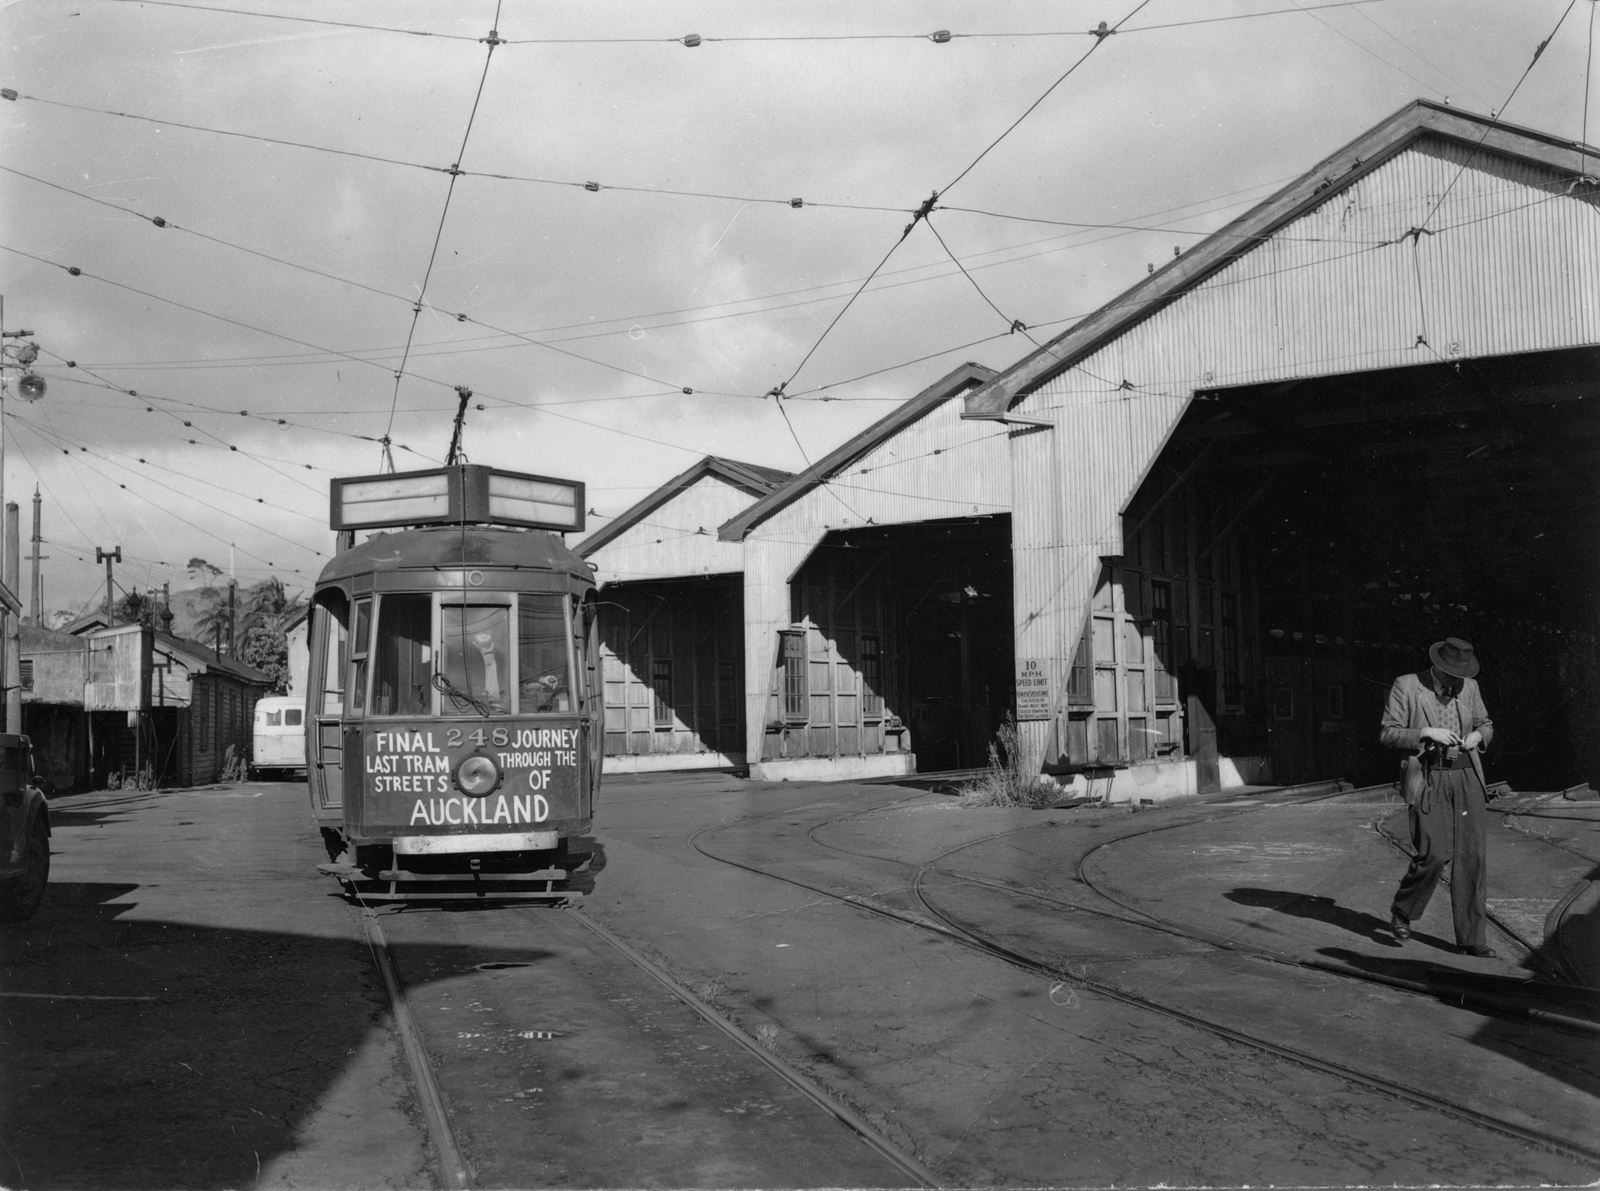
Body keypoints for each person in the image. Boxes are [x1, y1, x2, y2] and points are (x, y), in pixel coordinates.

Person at [1380, 637, 1496, 957]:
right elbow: (1388, 732)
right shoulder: (1407, 685)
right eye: (1452, 675)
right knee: (1434, 853)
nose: (1457, 682)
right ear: (1439, 667)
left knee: (1471, 856)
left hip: (1466, 776)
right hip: (1427, 775)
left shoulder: (1469, 688)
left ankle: (1472, 938)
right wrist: (1424, 733)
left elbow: (1486, 724)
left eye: (1462, 675)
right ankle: (1404, 910)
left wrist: (1478, 735)